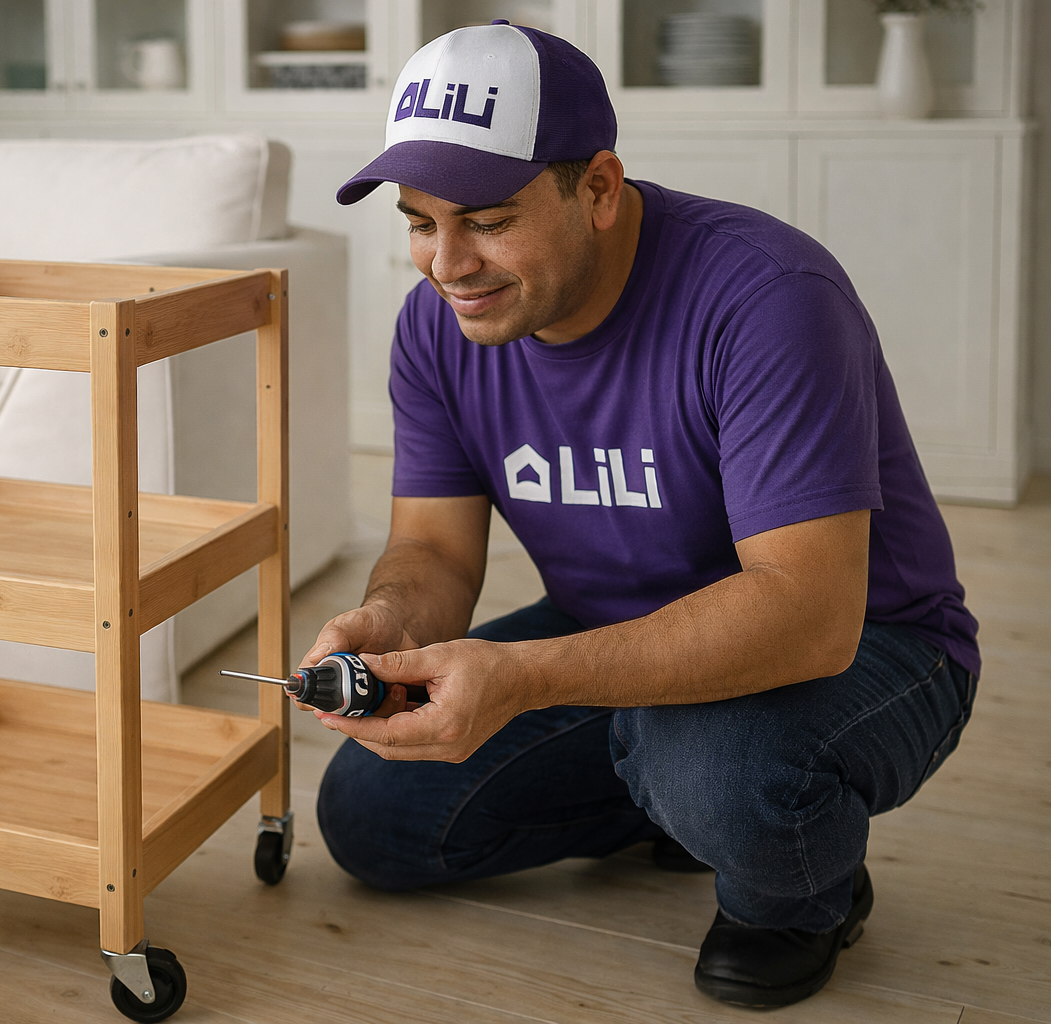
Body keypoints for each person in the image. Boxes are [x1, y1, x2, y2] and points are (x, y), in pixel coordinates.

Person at [309, 21, 979, 1009]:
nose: (446, 264)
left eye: (487, 219)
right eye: (419, 222)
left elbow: (808, 613)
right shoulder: (440, 328)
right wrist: (389, 619)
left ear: (598, 188)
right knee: (375, 816)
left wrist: (525, 679)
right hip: (616, 630)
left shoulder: (767, 298)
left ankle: (798, 893)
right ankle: (666, 788)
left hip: (870, 643)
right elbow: (433, 548)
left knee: (716, 768)